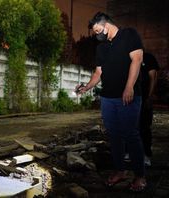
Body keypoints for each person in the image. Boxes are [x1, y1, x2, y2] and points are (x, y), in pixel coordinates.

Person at [77, 12, 146, 192]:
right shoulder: (102, 48)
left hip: (127, 95)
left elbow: (137, 60)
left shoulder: (129, 34)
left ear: (106, 24)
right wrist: (86, 87)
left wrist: (129, 87)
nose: (97, 34)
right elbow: (98, 73)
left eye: (98, 30)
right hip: (107, 98)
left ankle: (140, 175)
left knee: (130, 134)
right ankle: (120, 171)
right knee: (114, 135)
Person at [139, 52, 159, 166]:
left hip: (144, 98)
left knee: (144, 127)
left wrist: (149, 96)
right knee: (130, 126)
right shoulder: (126, 57)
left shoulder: (148, 57)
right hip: (130, 98)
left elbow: (153, 77)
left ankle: (146, 154)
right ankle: (128, 152)